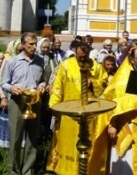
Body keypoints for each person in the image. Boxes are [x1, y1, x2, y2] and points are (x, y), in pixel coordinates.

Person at [90, 47, 137, 175]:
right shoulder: (122, 78)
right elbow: (110, 101)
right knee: (124, 165)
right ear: (131, 59)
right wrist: (112, 124)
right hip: (126, 128)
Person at [46, 42, 108, 174]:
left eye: (85, 56)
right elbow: (58, 86)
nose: (82, 58)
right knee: (68, 143)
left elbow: (105, 84)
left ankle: (87, 169)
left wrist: (94, 83)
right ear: (75, 52)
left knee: (87, 142)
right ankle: (66, 170)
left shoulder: (96, 67)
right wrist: (54, 105)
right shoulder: (66, 65)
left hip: (89, 114)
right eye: (80, 56)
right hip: (69, 114)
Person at [1, 32, 45, 175]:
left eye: (35, 43)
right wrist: (12, 88)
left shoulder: (40, 60)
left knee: (33, 137)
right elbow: (4, 83)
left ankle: (28, 170)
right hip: (17, 102)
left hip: (34, 102)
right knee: (15, 137)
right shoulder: (12, 61)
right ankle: (14, 170)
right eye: (30, 44)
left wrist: (42, 85)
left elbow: (43, 79)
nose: (34, 46)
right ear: (23, 45)